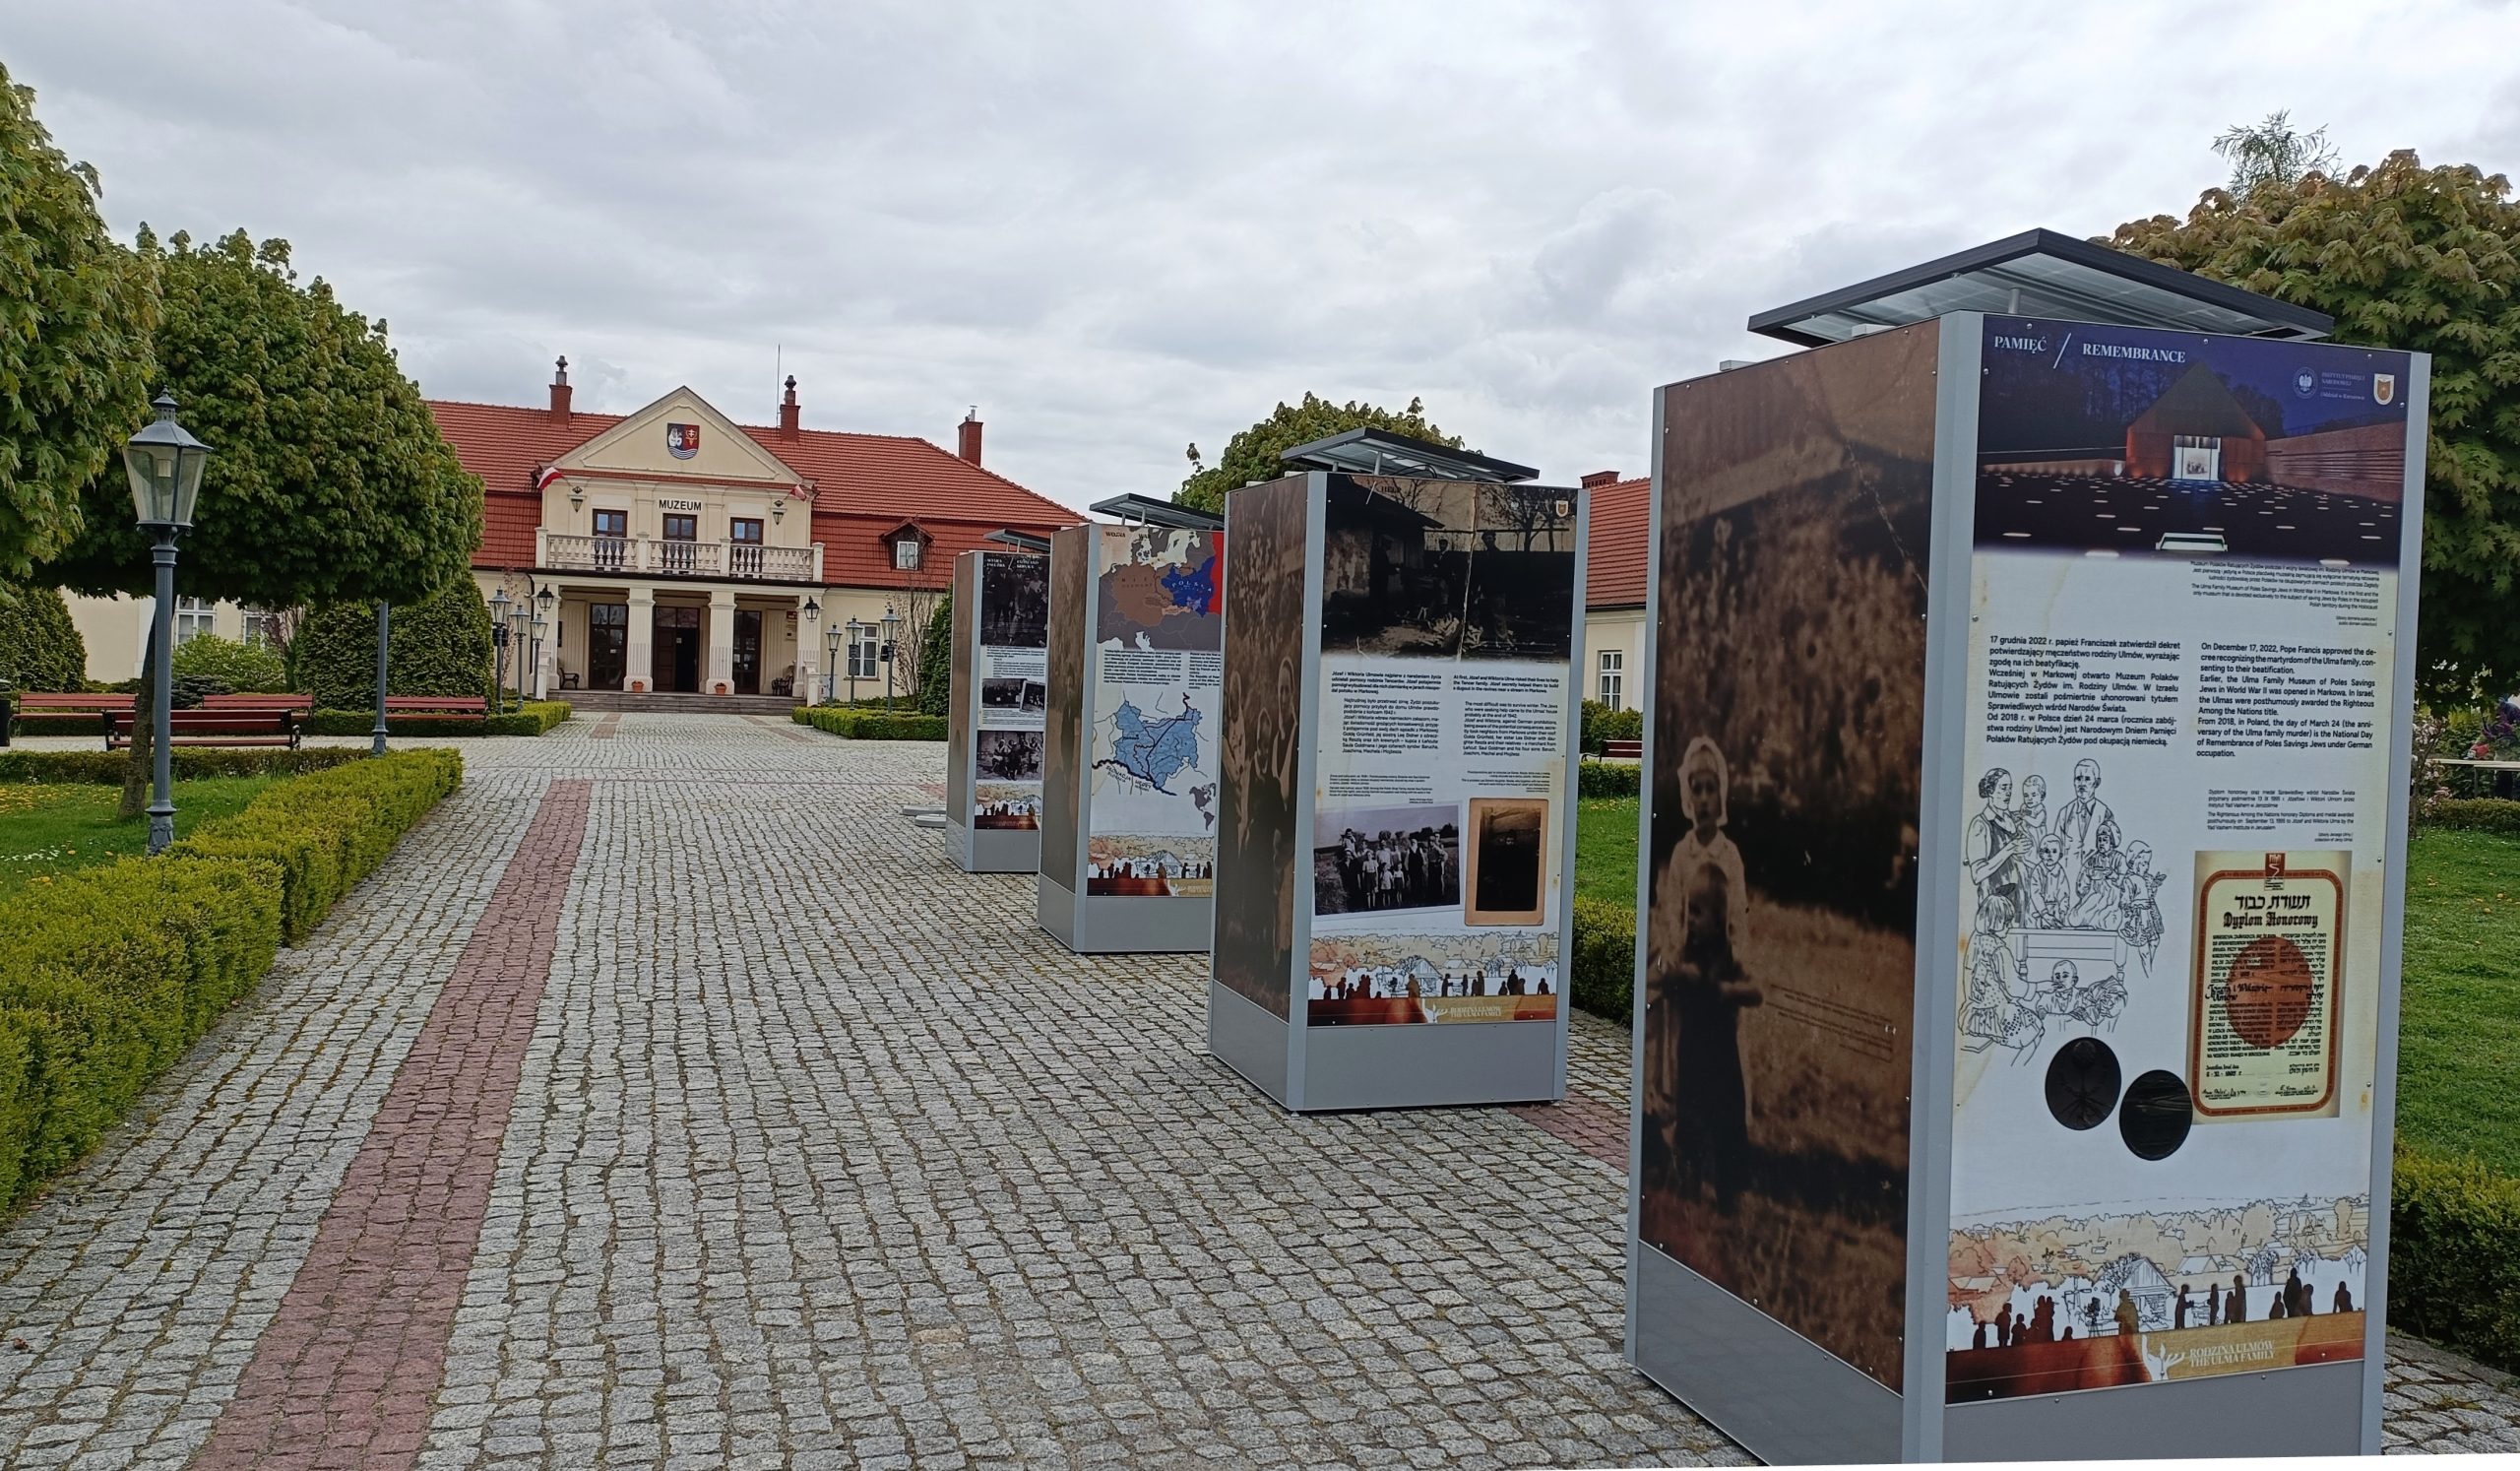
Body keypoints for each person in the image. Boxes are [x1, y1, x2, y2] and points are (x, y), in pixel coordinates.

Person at [1666, 859, 1761, 1211]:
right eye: (1689, 911)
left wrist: (1724, 990)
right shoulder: (1686, 952)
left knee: (1727, 1121)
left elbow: (1755, 991)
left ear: (1720, 918)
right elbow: (1670, 980)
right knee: (1690, 1116)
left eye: (1699, 913)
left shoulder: (1727, 956)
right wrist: (1678, 976)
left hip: (1722, 1055)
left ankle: (1728, 1192)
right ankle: (1688, 1182)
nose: (1691, 920)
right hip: (1692, 1050)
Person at [1966, 768, 2030, 912]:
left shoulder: (2014, 819)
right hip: (1996, 905)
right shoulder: (1981, 824)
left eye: (2010, 787)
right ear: (1990, 791)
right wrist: (2010, 848)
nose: (2008, 792)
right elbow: (1977, 874)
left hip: (2019, 900)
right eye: (2003, 787)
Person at [2054, 758, 2114, 893]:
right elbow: (2056, 849)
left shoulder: (2105, 813)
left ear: (2097, 783)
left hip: (2095, 885)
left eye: (2087, 779)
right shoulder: (2064, 813)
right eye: (2078, 779)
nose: (2082, 784)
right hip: (2067, 881)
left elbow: (2112, 851)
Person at [2027, 834, 2074, 928]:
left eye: (2054, 851)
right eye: (2046, 851)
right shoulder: (2037, 871)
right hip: (2038, 910)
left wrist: (2062, 910)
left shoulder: (2060, 871)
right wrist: (2044, 913)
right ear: (2040, 854)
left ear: (2060, 855)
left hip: (2055, 910)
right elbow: (2036, 894)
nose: (2050, 855)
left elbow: (2064, 893)